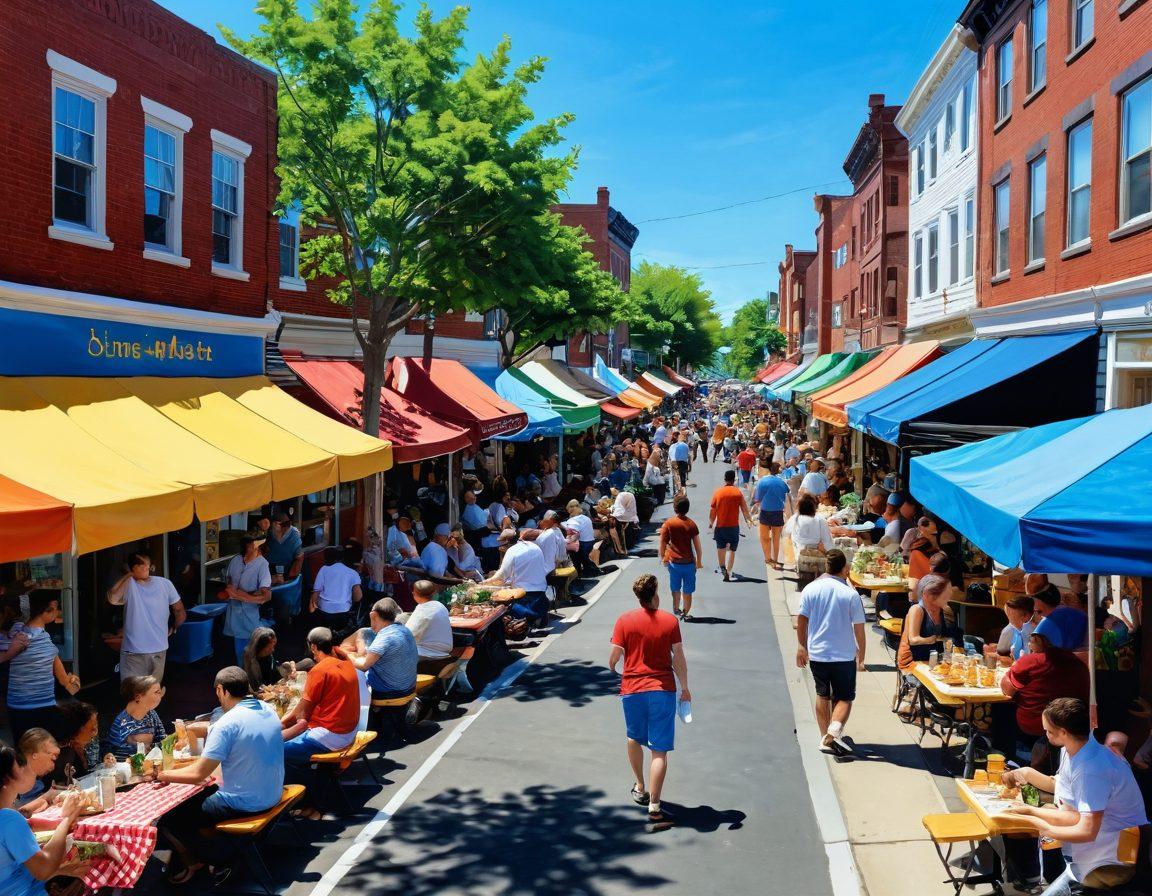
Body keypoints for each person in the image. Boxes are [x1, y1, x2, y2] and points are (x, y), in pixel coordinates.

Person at [1001, 698, 1149, 895]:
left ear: (1063, 732)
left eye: (1049, 731)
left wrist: (1041, 825)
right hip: (1088, 858)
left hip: (1108, 864)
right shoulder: (1074, 749)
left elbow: (1087, 830)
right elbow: (1066, 797)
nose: (1045, 734)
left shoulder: (1092, 768)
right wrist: (1029, 807)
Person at [156, 667, 285, 885]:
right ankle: (212, 854)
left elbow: (199, 774)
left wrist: (161, 775)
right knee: (197, 804)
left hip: (247, 801)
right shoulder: (267, 708)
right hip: (272, 792)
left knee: (168, 817)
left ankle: (207, 859)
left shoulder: (226, 723)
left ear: (221, 690)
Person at [608, 574, 690, 827]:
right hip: (662, 688)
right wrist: (685, 688)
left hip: (632, 689)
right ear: (654, 595)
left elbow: (614, 656)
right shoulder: (669, 621)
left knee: (633, 738)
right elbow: (677, 657)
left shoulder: (624, 620)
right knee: (659, 751)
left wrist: (613, 668)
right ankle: (655, 807)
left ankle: (640, 786)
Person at [796, 550, 866, 756]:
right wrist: (862, 657)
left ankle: (824, 735)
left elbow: (801, 619)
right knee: (844, 698)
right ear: (844, 568)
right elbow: (859, 629)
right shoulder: (850, 594)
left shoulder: (811, 589)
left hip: (818, 652)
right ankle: (831, 735)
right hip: (843, 655)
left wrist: (801, 646)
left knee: (822, 694)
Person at [0, 747, 88, 895]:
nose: (26, 767)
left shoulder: (10, 817)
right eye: (20, 765)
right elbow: (43, 869)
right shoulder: (8, 819)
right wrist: (67, 820)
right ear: (5, 779)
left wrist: (58, 870)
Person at [279, 628, 361, 776]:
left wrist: (274, 729)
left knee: (273, 751)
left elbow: (301, 717)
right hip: (350, 731)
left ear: (313, 647)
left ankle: (309, 785)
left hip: (331, 737)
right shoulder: (347, 662)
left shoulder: (319, 671)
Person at [1001, 618, 1090, 752]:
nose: (1030, 644)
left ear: (1043, 640)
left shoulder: (1031, 661)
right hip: (1073, 728)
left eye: (1033, 639)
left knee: (1002, 710)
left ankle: (1005, 755)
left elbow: (1007, 690)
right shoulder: (1080, 666)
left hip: (1035, 725)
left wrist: (1008, 675)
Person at [6, 591, 79, 742]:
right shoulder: (46, 644)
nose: (58, 611)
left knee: (23, 751)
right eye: (56, 607)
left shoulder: (13, 632)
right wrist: (73, 680)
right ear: (50, 608)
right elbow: (65, 682)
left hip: (15, 706)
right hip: (42, 707)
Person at [105, 551, 186, 682]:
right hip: (136, 651)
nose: (145, 567)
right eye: (140, 565)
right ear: (132, 568)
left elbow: (179, 611)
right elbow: (112, 598)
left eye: (147, 564)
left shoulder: (164, 584)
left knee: (146, 694)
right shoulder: (130, 584)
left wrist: (174, 627)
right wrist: (130, 575)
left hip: (155, 650)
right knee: (140, 694)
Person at [350, 598, 418, 702]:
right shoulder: (405, 630)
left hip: (390, 693)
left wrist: (347, 656)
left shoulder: (386, 636)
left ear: (373, 615)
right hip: (409, 688)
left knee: (353, 673)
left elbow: (364, 665)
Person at [483, 530, 551, 626]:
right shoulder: (534, 547)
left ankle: (529, 618)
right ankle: (536, 618)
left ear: (507, 542)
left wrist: (485, 582)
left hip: (523, 594)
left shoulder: (512, 551)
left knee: (504, 607)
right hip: (540, 590)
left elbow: (502, 575)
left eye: (501, 543)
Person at [223, 535, 272, 665]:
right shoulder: (236, 560)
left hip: (251, 617)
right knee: (239, 652)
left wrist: (244, 596)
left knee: (249, 654)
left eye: (252, 545)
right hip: (234, 615)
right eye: (248, 545)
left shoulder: (262, 564)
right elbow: (228, 579)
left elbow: (266, 596)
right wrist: (230, 587)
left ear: (258, 547)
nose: (249, 547)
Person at [896, 576, 960, 670]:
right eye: (944, 595)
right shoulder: (917, 609)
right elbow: (913, 640)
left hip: (934, 659)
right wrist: (932, 639)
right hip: (913, 661)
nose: (948, 597)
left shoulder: (944, 610)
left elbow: (949, 636)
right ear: (927, 595)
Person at [659, 496, 703, 620]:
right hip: (689, 563)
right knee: (688, 590)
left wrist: (663, 557)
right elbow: (698, 547)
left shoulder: (669, 523)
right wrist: (698, 562)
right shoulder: (691, 524)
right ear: (687, 508)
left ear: (674, 508)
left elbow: (662, 542)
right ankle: (686, 612)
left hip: (674, 563)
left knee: (675, 588)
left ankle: (676, 608)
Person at [106, 675, 166, 760]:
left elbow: (162, 740)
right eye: (157, 692)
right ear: (138, 697)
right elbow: (119, 758)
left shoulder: (152, 714)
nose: (160, 696)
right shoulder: (121, 724)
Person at [708, 469, 753, 583]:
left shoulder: (718, 492)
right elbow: (744, 509)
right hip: (733, 527)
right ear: (734, 479)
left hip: (720, 526)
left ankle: (722, 568)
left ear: (725, 479)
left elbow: (713, 510)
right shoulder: (737, 493)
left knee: (720, 547)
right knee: (732, 550)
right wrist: (749, 520)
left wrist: (711, 522)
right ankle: (729, 571)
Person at [309, 546, 363, 639]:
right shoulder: (353, 573)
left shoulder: (324, 569)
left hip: (324, 612)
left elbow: (316, 593)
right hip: (343, 612)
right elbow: (358, 597)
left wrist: (312, 612)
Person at [406, 580, 455, 675]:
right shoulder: (441, 606)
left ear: (414, 594)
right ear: (434, 593)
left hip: (426, 655)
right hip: (444, 652)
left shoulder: (422, 611)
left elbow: (408, 635)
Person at [751, 461, 790, 572]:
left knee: (764, 537)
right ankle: (775, 559)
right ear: (778, 470)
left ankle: (768, 558)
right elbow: (787, 492)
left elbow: (757, 499)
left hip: (765, 511)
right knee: (776, 538)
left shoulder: (763, 481)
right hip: (777, 512)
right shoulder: (782, 482)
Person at [49, 701, 99, 786]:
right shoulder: (57, 753)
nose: (95, 733)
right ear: (78, 728)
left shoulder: (76, 746)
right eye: (92, 729)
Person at [791, 495, 834, 589]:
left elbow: (793, 538)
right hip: (817, 558)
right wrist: (830, 553)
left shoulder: (796, 519)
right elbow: (828, 541)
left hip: (800, 555)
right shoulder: (819, 519)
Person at [14, 729, 59, 816]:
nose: (53, 766)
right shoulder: (11, 780)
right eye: (52, 759)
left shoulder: (35, 782)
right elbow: (9, 819)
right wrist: (45, 797)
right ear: (35, 755)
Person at [240, 627, 285, 692]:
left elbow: (274, 669)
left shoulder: (267, 654)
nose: (272, 650)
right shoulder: (250, 659)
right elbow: (255, 685)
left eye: (273, 646)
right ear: (259, 647)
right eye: (269, 648)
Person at [997, 595, 1040, 662]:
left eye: (1010, 616)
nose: (1010, 621)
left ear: (1025, 617)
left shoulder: (1036, 633)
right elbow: (1002, 650)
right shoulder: (1012, 630)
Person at [264, 512, 304, 582]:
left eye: (277, 524)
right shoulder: (268, 532)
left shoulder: (294, 537)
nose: (274, 525)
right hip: (267, 572)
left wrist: (290, 578)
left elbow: (299, 558)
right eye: (274, 523)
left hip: (286, 572)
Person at [564, 499, 598, 578]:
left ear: (570, 510)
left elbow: (574, 536)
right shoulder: (586, 518)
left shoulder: (572, 520)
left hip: (583, 545)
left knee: (570, 548)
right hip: (590, 542)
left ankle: (577, 573)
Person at [535, 511, 571, 575]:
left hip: (552, 564)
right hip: (550, 564)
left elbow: (561, 546)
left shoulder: (554, 531)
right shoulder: (549, 531)